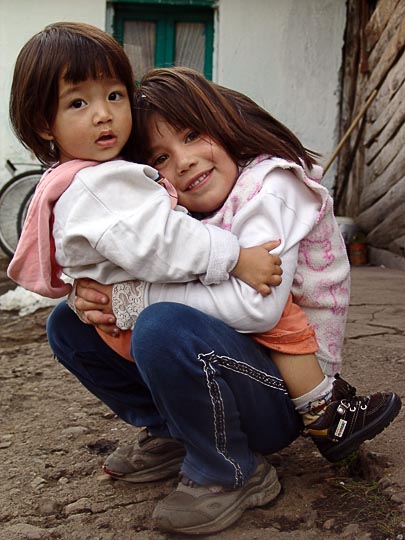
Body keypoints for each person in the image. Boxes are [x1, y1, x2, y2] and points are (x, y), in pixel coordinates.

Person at [70, 67, 401, 533]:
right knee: (69, 324)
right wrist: (95, 299)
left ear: (225, 126)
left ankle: (229, 469)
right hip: (226, 369)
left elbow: (257, 307)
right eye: (160, 157)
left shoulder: (273, 187)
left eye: (191, 135)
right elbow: (120, 267)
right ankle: (174, 434)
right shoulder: (175, 212)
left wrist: (132, 299)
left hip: (284, 397)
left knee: (161, 324)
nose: (183, 161)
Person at [7, 21, 283, 342]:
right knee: (289, 328)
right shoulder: (99, 185)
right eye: (78, 103)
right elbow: (163, 242)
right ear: (43, 123)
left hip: (130, 320)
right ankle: (317, 393)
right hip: (149, 328)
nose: (103, 115)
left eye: (114, 95)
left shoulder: (73, 180)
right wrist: (235, 258)